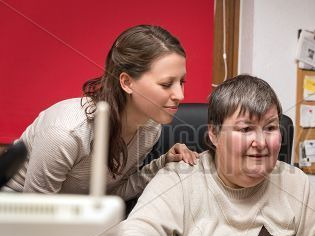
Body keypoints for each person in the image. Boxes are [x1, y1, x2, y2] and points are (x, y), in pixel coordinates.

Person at [119, 75, 315, 236]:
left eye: (270, 128)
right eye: (246, 129)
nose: (260, 142)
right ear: (214, 134)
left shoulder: (295, 182)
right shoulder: (179, 178)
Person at [5, 25, 198, 199]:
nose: (180, 94)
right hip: (15, 215)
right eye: (166, 84)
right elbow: (37, 214)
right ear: (127, 82)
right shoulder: (66, 133)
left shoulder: (150, 128)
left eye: (182, 82)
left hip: (72, 217)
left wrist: (163, 163)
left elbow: (109, 194)